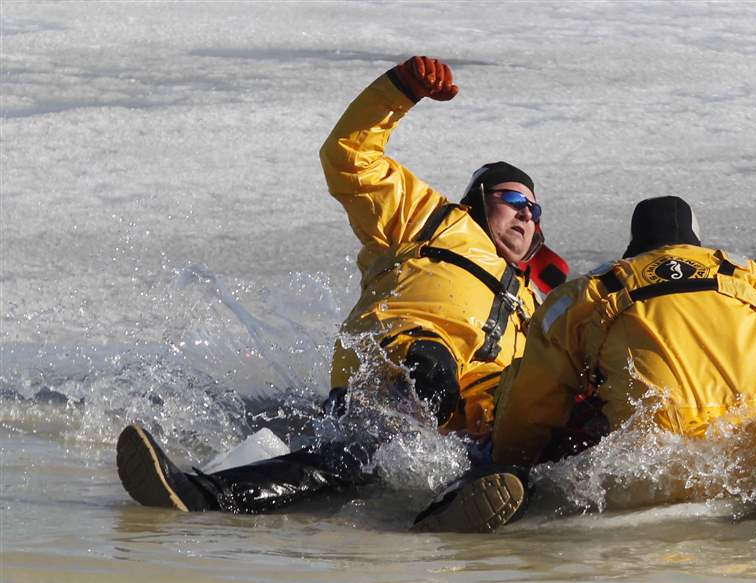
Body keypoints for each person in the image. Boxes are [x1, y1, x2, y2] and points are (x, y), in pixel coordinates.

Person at [116, 56, 557, 524]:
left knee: (524, 434)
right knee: (396, 412)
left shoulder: (532, 303)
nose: (525, 214)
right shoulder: (431, 220)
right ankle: (203, 493)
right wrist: (399, 89)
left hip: (472, 408)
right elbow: (349, 157)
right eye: (513, 200)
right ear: (479, 201)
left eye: (534, 209)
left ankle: (458, 507)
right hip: (402, 358)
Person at [413, 196, 756, 531]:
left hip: (649, 477)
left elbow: (532, 406)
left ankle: (509, 492)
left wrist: (511, 461)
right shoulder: (752, 280)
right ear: (695, 244)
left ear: (635, 247)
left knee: (565, 434)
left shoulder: (588, 293)